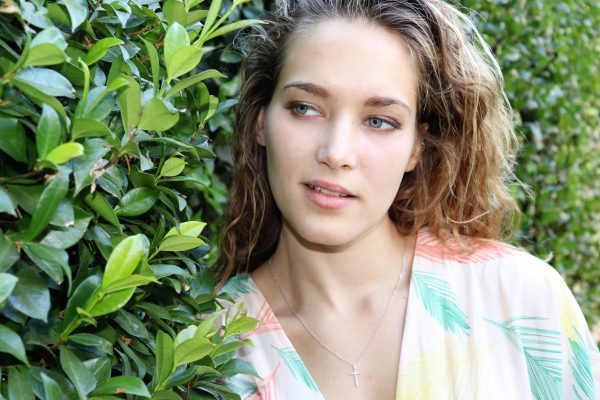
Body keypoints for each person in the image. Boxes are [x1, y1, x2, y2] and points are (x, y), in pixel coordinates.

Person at [215, 0, 600, 398]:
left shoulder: (521, 300)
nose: (337, 152)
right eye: (306, 108)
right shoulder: (210, 348)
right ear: (261, 122)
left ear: (416, 146)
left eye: (380, 121)